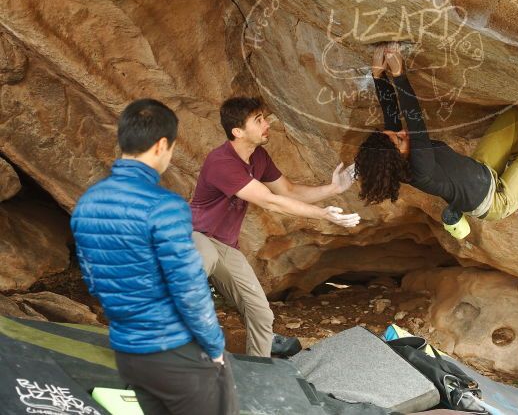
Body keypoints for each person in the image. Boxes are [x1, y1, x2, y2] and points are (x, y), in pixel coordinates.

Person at [71, 99, 237, 415]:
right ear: (161, 145)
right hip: (173, 351)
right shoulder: (165, 207)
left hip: (127, 352)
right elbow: (188, 287)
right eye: (172, 149)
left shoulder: (87, 204)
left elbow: (94, 282)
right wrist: (215, 347)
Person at [355, 42, 518, 239]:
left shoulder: (396, 156)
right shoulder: (420, 169)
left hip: (483, 170)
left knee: (512, 116)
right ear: (398, 154)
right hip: (497, 200)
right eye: (399, 140)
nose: (401, 134)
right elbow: (414, 119)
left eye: (394, 135)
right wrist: (399, 74)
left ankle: (515, 156)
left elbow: (391, 114)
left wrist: (378, 76)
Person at [190, 96, 360, 358]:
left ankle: (259, 370)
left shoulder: (259, 157)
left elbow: (288, 191)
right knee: (204, 260)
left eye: (264, 118)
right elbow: (271, 201)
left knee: (261, 313)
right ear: (238, 131)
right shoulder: (221, 162)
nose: (266, 123)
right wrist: (323, 214)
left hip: (226, 246)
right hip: (195, 236)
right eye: (258, 120)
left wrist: (334, 188)